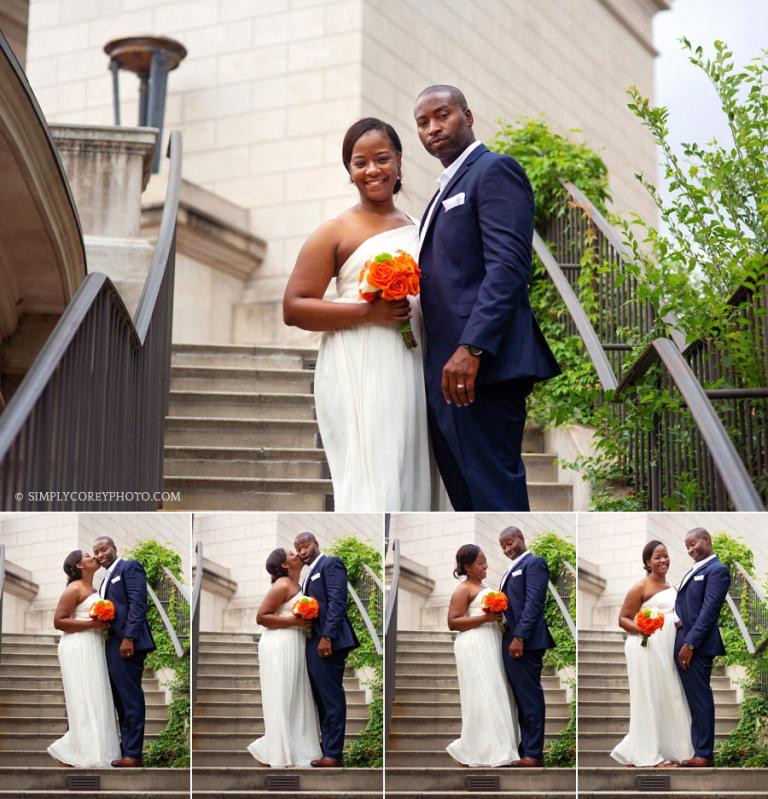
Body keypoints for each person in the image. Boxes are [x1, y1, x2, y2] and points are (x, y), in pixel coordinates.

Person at [414, 85, 561, 512]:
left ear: (468, 115)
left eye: (442, 115)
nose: (433, 128)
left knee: (495, 497)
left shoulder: (494, 170)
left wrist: (472, 346)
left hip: (482, 369)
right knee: (467, 498)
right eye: (423, 122)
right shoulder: (443, 189)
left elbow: (509, 268)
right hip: (447, 371)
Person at [283, 117, 431, 511]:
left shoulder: (420, 228)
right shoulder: (334, 232)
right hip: (358, 359)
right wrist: (368, 312)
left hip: (412, 357)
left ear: (399, 161)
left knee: (409, 461)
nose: (371, 171)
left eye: (381, 159)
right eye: (359, 163)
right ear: (349, 171)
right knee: (375, 467)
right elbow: (294, 307)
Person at [610, 540, 694, 767]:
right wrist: (643, 629)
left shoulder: (673, 588)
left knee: (667, 696)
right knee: (648, 697)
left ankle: (670, 749)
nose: (663, 560)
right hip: (644, 647)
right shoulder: (640, 586)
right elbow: (623, 619)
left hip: (666, 648)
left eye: (665, 555)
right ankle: (649, 754)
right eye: (657, 557)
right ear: (647, 562)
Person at [247, 548, 322, 767]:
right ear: (285, 565)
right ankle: (277, 752)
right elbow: (261, 617)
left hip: (296, 643)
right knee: (282, 697)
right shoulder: (281, 585)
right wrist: (295, 622)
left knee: (297, 698)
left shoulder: (300, 585)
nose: (296, 554)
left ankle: (293, 749)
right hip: (278, 645)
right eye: (291, 553)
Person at [446, 544, 520, 766]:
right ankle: (476, 750)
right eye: (480, 563)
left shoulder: (483, 586)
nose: (486, 565)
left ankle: (499, 747)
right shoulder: (463, 589)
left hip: (491, 641)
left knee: (497, 692)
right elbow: (452, 622)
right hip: (473, 645)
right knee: (481, 696)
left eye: (485, 561)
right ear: (468, 567)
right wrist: (485, 619)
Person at [47, 550, 122, 767]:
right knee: (84, 697)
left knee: (98, 695)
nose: (93, 558)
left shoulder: (94, 588)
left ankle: (98, 750)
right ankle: (78, 752)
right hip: (77, 647)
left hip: (94, 644)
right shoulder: (74, 588)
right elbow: (59, 621)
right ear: (79, 566)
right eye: (88, 556)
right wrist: (92, 624)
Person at [294, 532, 359, 767]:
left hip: (328, 640)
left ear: (315, 544)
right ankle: (327, 750)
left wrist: (327, 637)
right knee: (321, 698)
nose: (302, 552)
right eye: (298, 548)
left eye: (305, 546)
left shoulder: (331, 563)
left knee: (331, 697)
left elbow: (338, 601)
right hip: (314, 640)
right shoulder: (308, 573)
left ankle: (333, 754)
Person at [93, 536, 155, 767]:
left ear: (114, 548)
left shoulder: (129, 567)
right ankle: (125, 748)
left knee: (130, 698)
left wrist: (129, 637)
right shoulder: (104, 579)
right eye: (96, 552)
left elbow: (139, 602)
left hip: (128, 644)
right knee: (119, 700)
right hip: (112, 644)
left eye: (103, 549)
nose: (100, 555)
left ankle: (133, 754)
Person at [498, 526, 555, 766]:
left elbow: (534, 603)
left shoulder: (534, 563)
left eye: (510, 543)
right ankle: (525, 749)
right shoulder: (511, 569)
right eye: (503, 547)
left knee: (530, 697)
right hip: (511, 638)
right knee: (521, 698)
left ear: (521, 538)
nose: (507, 549)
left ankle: (533, 753)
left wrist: (519, 637)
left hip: (525, 642)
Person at [674, 528, 730, 767]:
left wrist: (690, 643)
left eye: (693, 543)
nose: (690, 549)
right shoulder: (695, 569)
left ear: (706, 540)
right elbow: (690, 607)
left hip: (696, 645)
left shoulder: (717, 570)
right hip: (684, 640)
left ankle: (704, 754)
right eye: (687, 546)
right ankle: (701, 750)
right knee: (693, 698)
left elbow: (709, 612)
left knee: (700, 698)